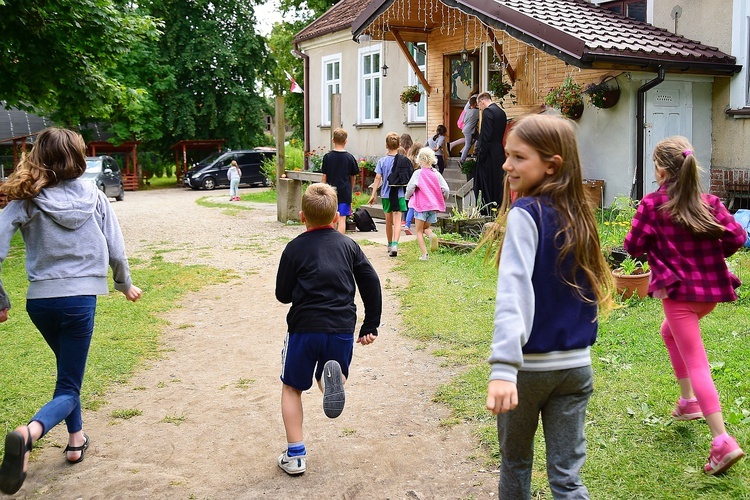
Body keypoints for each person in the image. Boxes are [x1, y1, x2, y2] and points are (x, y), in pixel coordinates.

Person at [0, 128, 142, 496]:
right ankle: (28, 433)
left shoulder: (27, 197)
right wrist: (124, 284)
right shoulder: (94, 195)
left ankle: (76, 440)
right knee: (69, 385)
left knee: (67, 374)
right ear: (78, 158)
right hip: (79, 301)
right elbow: (115, 247)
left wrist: (1, 299)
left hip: (40, 303)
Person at [482, 114, 615, 499]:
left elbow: (514, 290)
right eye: (507, 155)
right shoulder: (581, 215)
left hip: (529, 370)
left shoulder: (526, 214)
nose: (506, 165)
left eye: (518, 157)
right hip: (576, 368)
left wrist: (504, 367)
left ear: (551, 165)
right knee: (567, 477)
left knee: (516, 463)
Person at [624, 136, 747, 476]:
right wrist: (709, 258)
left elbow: (633, 246)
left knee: (697, 361)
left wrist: (655, 247)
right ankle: (687, 401)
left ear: (661, 170)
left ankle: (722, 440)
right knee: (669, 334)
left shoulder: (652, 205)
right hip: (708, 295)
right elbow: (737, 237)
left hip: (679, 296)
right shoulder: (709, 202)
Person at [275, 183, 381, 476]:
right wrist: (370, 324)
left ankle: (296, 455)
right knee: (332, 372)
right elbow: (371, 282)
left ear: (301, 217)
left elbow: (282, 294)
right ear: (336, 217)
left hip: (304, 328)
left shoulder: (294, 248)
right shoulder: (349, 246)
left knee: (291, 387)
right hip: (341, 326)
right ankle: (330, 378)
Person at [405, 147, 449, 261]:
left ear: (419, 160)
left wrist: (407, 196)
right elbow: (446, 189)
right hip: (433, 207)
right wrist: (443, 197)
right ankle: (431, 235)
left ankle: (425, 255)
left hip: (420, 207)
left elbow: (410, 188)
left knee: (419, 231)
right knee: (426, 228)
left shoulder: (418, 173)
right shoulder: (436, 174)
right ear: (432, 160)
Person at [367, 132, 407, 257]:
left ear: (386, 145)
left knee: (388, 222)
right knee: (398, 221)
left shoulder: (382, 161)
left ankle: (389, 244)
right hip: (399, 194)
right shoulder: (402, 161)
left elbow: (378, 178)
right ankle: (395, 244)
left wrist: (373, 194)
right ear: (399, 145)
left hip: (386, 195)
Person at [321, 128, 361, 234]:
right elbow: (353, 177)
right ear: (346, 141)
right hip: (345, 191)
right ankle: (340, 241)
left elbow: (324, 177)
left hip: (330, 191)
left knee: (331, 217)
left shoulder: (327, 157)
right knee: (342, 218)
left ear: (333, 140)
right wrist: (350, 189)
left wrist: (322, 189)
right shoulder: (350, 158)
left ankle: (331, 239)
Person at [474, 92, 507, 214]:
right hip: (499, 151)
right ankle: (499, 208)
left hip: (489, 154)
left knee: (485, 183)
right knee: (497, 182)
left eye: (479, 106)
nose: (480, 109)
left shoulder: (488, 112)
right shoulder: (501, 112)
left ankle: (486, 210)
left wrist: (481, 156)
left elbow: (486, 137)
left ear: (482, 101)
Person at [449, 95, 479, 163]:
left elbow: (464, 120)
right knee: (468, 145)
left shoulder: (467, 110)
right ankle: (462, 160)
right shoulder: (476, 112)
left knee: (479, 138)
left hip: (468, 129)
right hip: (469, 131)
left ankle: (477, 152)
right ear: (475, 104)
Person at [403, 141, 424, 234]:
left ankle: (407, 223)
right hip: (419, 187)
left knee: (410, 205)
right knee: (419, 206)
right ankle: (420, 224)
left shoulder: (408, 160)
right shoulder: (421, 162)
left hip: (409, 185)